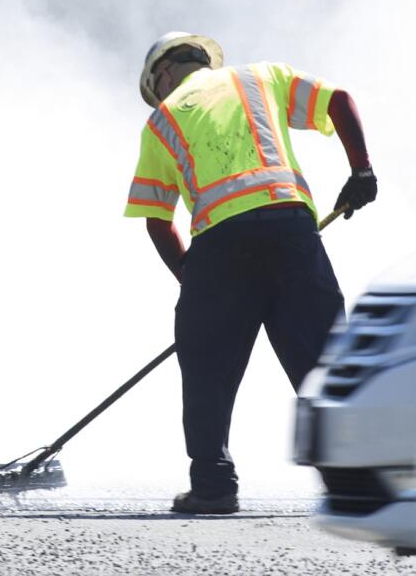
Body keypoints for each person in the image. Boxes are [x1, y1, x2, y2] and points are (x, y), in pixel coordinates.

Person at [125, 32, 377, 515]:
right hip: (292, 232)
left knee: (207, 371)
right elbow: (338, 100)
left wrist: (192, 280)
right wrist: (361, 170)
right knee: (321, 362)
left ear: (162, 75)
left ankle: (214, 487)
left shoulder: (162, 121)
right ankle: (352, 484)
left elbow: (157, 221)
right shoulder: (261, 77)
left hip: (218, 248)